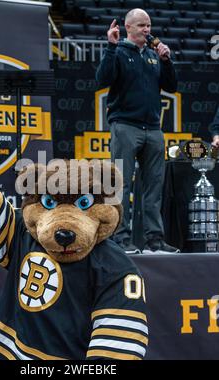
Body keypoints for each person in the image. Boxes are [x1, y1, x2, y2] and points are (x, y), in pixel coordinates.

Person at [96, 8, 179, 254]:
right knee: (121, 186)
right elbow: (103, 79)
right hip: (125, 126)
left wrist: (166, 61)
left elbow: (171, 87)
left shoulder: (154, 56)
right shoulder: (119, 51)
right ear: (128, 27)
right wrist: (110, 47)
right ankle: (121, 240)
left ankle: (155, 240)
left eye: (149, 25)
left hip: (153, 129)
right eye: (141, 25)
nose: (147, 30)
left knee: (154, 187)